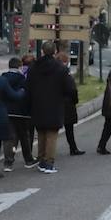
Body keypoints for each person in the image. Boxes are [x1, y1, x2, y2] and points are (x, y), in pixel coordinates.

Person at [26, 41, 77, 173]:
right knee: (51, 135)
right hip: (54, 104)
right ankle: (49, 162)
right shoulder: (60, 68)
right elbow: (69, 87)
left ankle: (41, 159)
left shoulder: (34, 67)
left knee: (41, 133)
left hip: (37, 105)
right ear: (54, 52)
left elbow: (28, 87)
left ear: (42, 51)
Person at [3, 56, 34, 169]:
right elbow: (27, 95)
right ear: (20, 66)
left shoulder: (3, 79)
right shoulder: (23, 80)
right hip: (21, 112)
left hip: (6, 112)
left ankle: (8, 161)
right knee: (24, 137)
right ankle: (28, 159)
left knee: (10, 139)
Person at [57, 51, 83, 156]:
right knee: (69, 128)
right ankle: (73, 148)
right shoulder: (65, 74)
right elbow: (72, 89)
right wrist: (75, 100)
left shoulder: (53, 72)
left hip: (56, 102)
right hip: (67, 103)